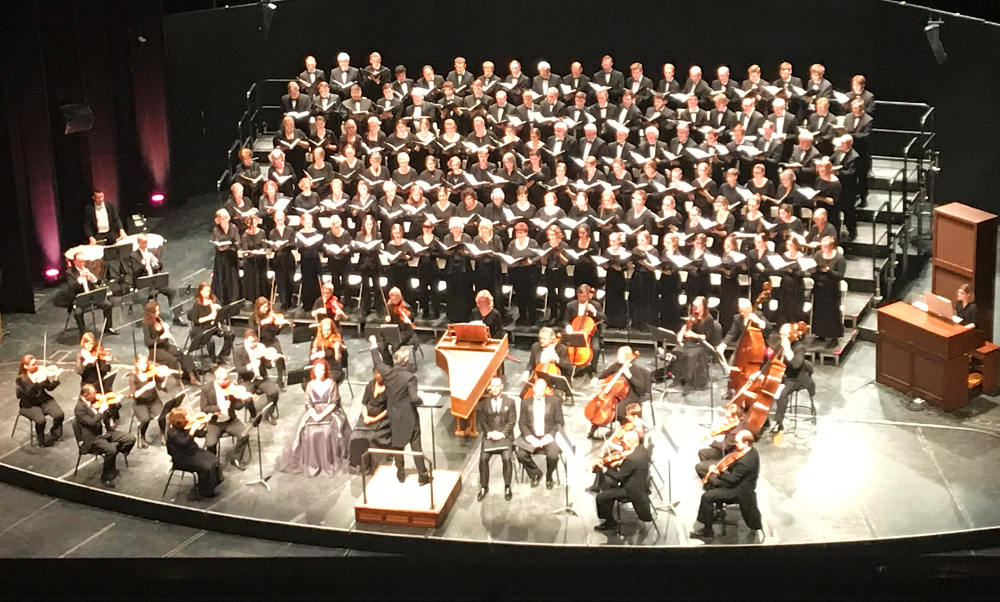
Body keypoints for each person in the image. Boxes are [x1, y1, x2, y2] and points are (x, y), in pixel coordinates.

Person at [368, 335, 430, 484]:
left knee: (397, 445)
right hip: (409, 416)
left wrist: (374, 344)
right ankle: (422, 476)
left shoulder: (387, 373)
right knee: (416, 446)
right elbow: (414, 398)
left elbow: (377, 361)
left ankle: (401, 474)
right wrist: (422, 400)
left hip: (394, 414)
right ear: (406, 361)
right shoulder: (410, 378)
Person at [280, 360, 351, 477]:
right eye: (318, 370)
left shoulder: (331, 383)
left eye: (323, 370)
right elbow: (308, 404)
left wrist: (322, 416)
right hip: (314, 412)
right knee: (308, 431)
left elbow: (334, 403)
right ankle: (312, 462)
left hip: (330, 410)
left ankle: (328, 460)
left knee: (327, 431)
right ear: (314, 371)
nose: (320, 372)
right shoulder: (310, 385)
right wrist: (315, 415)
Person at [689, 430, 762, 539]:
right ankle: (716, 509)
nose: (735, 444)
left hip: (739, 491)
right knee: (711, 482)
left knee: (707, 497)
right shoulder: (751, 451)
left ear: (746, 443)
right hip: (737, 484)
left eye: (737, 442)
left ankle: (707, 531)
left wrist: (719, 473)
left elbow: (733, 479)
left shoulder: (746, 460)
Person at [75, 383, 135, 488]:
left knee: (130, 439)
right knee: (111, 450)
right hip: (93, 438)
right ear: (85, 395)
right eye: (93, 393)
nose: (97, 394)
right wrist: (101, 411)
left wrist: (115, 404)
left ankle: (111, 462)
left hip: (106, 432)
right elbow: (92, 423)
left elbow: (109, 414)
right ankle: (106, 477)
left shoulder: (93, 402)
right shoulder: (79, 408)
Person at [593, 430, 652, 532]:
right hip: (641, 484)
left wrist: (603, 469)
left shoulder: (631, 459)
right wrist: (620, 463)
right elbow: (632, 466)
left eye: (623, 443)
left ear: (632, 443)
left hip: (631, 490)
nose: (621, 444)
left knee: (601, 497)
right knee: (609, 487)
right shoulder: (642, 450)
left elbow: (619, 477)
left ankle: (610, 523)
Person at [515, 378, 564, 489]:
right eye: (539, 390)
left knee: (553, 456)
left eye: (543, 390)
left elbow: (560, 422)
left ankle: (549, 476)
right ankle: (536, 474)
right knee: (521, 455)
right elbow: (522, 423)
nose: (540, 393)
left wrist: (549, 436)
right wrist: (530, 438)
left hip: (548, 436)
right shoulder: (525, 403)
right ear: (534, 389)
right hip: (532, 436)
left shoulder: (554, 402)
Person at [200, 367, 252, 470]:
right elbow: (204, 408)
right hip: (215, 423)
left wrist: (242, 400)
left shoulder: (231, 387)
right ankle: (213, 464)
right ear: (217, 379)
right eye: (225, 379)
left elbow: (238, 407)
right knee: (210, 443)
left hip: (231, 421)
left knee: (244, 434)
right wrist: (220, 407)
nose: (227, 381)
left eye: (228, 378)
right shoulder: (206, 389)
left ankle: (236, 458)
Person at [128, 233, 185, 325]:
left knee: (172, 291)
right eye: (143, 243)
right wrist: (143, 263)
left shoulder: (150, 252)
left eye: (146, 242)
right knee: (152, 296)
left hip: (155, 281)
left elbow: (159, 267)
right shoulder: (133, 255)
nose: (145, 245)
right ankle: (154, 320)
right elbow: (135, 272)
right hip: (144, 283)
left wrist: (155, 262)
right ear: (139, 243)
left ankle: (177, 317)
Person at [165, 408, 223, 498]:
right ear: (179, 420)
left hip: (193, 452)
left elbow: (201, 434)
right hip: (183, 458)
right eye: (185, 417)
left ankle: (207, 484)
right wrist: (192, 430)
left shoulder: (185, 426)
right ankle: (205, 491)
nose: (187, 418)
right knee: (206, 467)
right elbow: (184, 443)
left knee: (214, 460)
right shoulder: (172, 432)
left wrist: (205, 424)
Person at [54, 252, 117, 336]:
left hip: (91, 295)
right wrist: (80, 278)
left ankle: (108, 327)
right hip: (79, 299)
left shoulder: (87, 268)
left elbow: (98, 281)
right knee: (78, 312)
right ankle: (83, 333)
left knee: (108, 305)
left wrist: (92, 278)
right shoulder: (70, 272)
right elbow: (72, 287)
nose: (82, 264)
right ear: (75, 262)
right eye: (80, 262)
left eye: (83, 261)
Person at [591, 346, 649, 437]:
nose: (617, 357)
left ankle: (625, 430)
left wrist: (630, 376)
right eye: (618, 355)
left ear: (627, 357)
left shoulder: (634, 368)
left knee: (619, 409)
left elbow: (641, 386)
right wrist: (596, 378)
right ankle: (593, 428)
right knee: (599, 406)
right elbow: (605, 372)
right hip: (618, 394)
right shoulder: (617, 365)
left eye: (620, 356)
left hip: (632, 394)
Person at [769, 322, 815, 436]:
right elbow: (771, 362)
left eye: (784, 335)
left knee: (781, 395)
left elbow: (795, 365)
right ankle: (763, 420)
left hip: (796, 378)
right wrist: (760, 374)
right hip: (783, 376)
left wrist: (788, 350)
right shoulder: (780, 345)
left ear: (791, 335)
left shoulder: (800, 348)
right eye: (781, 334)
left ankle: (778, 423)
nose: (782, 337)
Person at [476, 376, 516, 502]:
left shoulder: (510, 402)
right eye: (492, 386)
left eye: (497, 386)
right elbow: (482, 422)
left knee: (507, 458)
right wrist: (489, 433)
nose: (494, 388)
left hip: (505, 437)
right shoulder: (483, 404)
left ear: (502, 387)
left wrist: (502, 434)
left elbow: (512, 421)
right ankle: (484, 486)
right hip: (490, 437)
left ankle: (508, 486)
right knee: (483, 459)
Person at [142, 300, 199, 386]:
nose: (159, 312)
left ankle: (192, 377)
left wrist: (166, 329)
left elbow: (166, 334)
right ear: (151, 313)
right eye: (157, 310)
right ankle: (178, 378)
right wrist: (161, 337)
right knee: (172, 360)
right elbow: (148, 342)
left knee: (183, 355)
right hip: (155, 350)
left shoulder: (159, 320)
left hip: (166, 346)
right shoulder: (147, 324)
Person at [673, 296, 721, 393]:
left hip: (702, 345)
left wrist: (693, 335)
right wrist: (681, 333)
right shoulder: (694, 315)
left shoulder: (708, 319)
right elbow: (687, 325)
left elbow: (705, 337)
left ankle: (689, 381)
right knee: (676, 350)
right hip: (693, 342)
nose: (695, 308)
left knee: (691, 355)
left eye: (698, 306)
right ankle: (679, 376)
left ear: (703, 306)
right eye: (694, 306)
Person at [349, 368, 392, 475]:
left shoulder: (390, 388)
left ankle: (375, 465)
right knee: (356, 435)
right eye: (377, 374)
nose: (379, 376)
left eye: (381, 374)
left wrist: (374, 419)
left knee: (372, 437)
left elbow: (388, 410)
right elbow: (364, 404)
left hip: (382, 417)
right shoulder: (370, 385)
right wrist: (366, 416)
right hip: (367, 414)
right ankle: (360, 465)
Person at [233, 329, 281, 424]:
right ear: (245, 341)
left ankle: (269, 413)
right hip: (246, 380)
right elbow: (239, 369)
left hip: (261, 378)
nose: (255, 344)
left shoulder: (260, 349)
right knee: (247, 398)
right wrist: (250, 366)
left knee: (274, 392)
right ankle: (253, 414)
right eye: (252, 342)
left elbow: (268, 366)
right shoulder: (238, 351)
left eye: (256, 341)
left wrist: (272, 361)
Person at [15, 354, 64, 447]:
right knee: (41, 420)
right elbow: (30, 392)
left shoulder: (40, 372)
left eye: (36, 363)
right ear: (26, 366)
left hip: (43, 400)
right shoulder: (21, 379)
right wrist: (39, 382)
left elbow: (49, 388)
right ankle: (41, 440)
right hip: (29, 405)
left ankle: (55, 434)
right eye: (33, 364)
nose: (36, 366)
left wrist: (56, 379)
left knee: (59, 414)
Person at [695, 403, 749, 479]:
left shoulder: (735, 433)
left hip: (728, 456)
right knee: (702, 453)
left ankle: (714, 480)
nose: (726, 420)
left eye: (728, 418)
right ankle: (710, 472)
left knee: (699, 467)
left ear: (736, 417)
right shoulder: (740, 419)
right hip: (727, 450)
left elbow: (725, 446)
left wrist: (712, 442)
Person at [129, 354, 171, 448]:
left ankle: (163, 434)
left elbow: (161, 387)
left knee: (162, 415)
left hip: (154, 400)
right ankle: (143, 436)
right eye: (143, 364)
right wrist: (146, 387)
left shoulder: (152, 373)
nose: (146, 366)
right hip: (140, 403)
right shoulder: (133, 377)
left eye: (146, 363)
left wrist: (166, 378)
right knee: (145, 419)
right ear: (137, 364)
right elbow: (134, 395)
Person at [811, 236, 847, 347]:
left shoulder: (839, 259)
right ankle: (820, 334)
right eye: (822, 245)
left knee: (832, 313)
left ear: (832, 246)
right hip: (819, 288)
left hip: (831, 290)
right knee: (819, 312)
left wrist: (828, 271)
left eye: (825, 246)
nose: (822, 248)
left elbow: (840, 275)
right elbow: (813, 269)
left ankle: (834, 337)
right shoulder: (817, 255)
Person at [187, 282, 235, 365]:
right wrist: (209, 317)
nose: (208, 293)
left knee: (230, 334)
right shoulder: (197, 304)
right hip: (202, 327)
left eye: (209, 291)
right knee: (210, 341)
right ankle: (213, 359)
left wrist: (219, 308)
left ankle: (223, 355)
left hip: (215, 325)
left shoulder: (213, 299)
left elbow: (222, 311)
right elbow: (195, 320)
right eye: (205, 291)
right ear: (200, 292)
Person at [564, 284, 605, 379]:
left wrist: (594, 312)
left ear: (589, 295)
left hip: (592, 333)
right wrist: (568, 326)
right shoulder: (571, 305)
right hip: (575, 332)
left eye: (584, 297)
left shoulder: (595, 305)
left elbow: (605, 319)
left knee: (595, 348)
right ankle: (570, 367)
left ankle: (592, 370)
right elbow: (566, 320)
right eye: (579, 296)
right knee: (564, 346)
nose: (582, 299)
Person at [211, 209, 241, 305]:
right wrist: (221, 246)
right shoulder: (216, 229)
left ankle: (234, 299)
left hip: (231, 256)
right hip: (221, 258)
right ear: (218, 220)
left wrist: (230, 246)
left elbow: (238, 241)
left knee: (233, 278)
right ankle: (224, 300)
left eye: (226, 217)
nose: (225, 220)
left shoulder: (233, 227)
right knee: (223, 277)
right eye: (222, 218)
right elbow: (217, 243)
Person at [238, 215, 269, 303]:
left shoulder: (262, 232)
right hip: (250, 261)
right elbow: (245, 249)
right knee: (252, 279)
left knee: (262, 278)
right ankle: (253, 298)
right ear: (248, 224)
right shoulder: (245, 235)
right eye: (252, 223)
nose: (254, 225)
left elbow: (264, 245)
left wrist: (261, 251)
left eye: (255, 223)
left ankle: (263, 296)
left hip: (261, 260)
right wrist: (251, 253)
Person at [310, 318, 347, 384]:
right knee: (307, 383)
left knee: (326, 382)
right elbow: (311, 358)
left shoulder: (336, 339)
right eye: (324, 330)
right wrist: (316, 355)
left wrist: (337, 350)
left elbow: (339, 361)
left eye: (328, 330)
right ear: (321, 330)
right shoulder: (317, 340)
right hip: (318, 367)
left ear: (332, 329)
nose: (326, 332)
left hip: (332, 368)